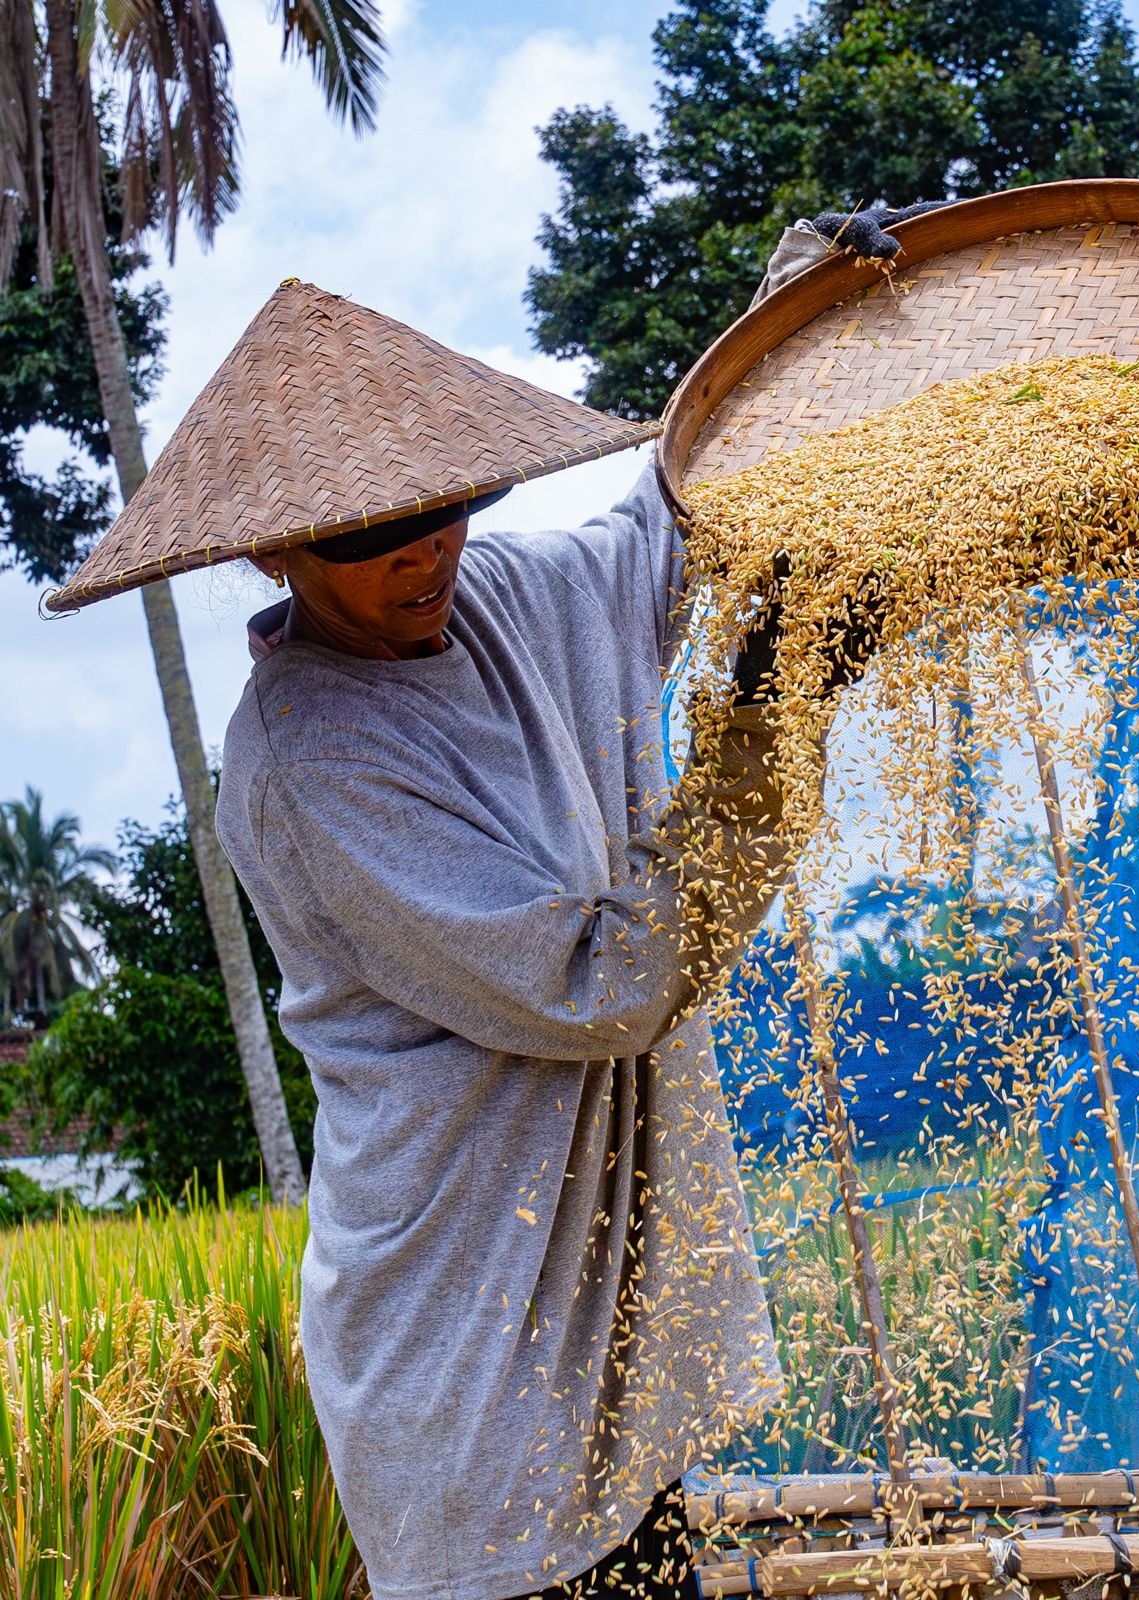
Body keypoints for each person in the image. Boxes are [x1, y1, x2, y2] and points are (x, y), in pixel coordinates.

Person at [49, 204, 927, 1600]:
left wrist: (795, 309)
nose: (425, 555)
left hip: (610, 1360)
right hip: (471, 1368)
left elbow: (668, 521)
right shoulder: (314, 761)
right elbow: (605, 984)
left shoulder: (510, 594)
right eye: (373, 537)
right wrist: (771, 722)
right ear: (271, 554)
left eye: (444, 511)